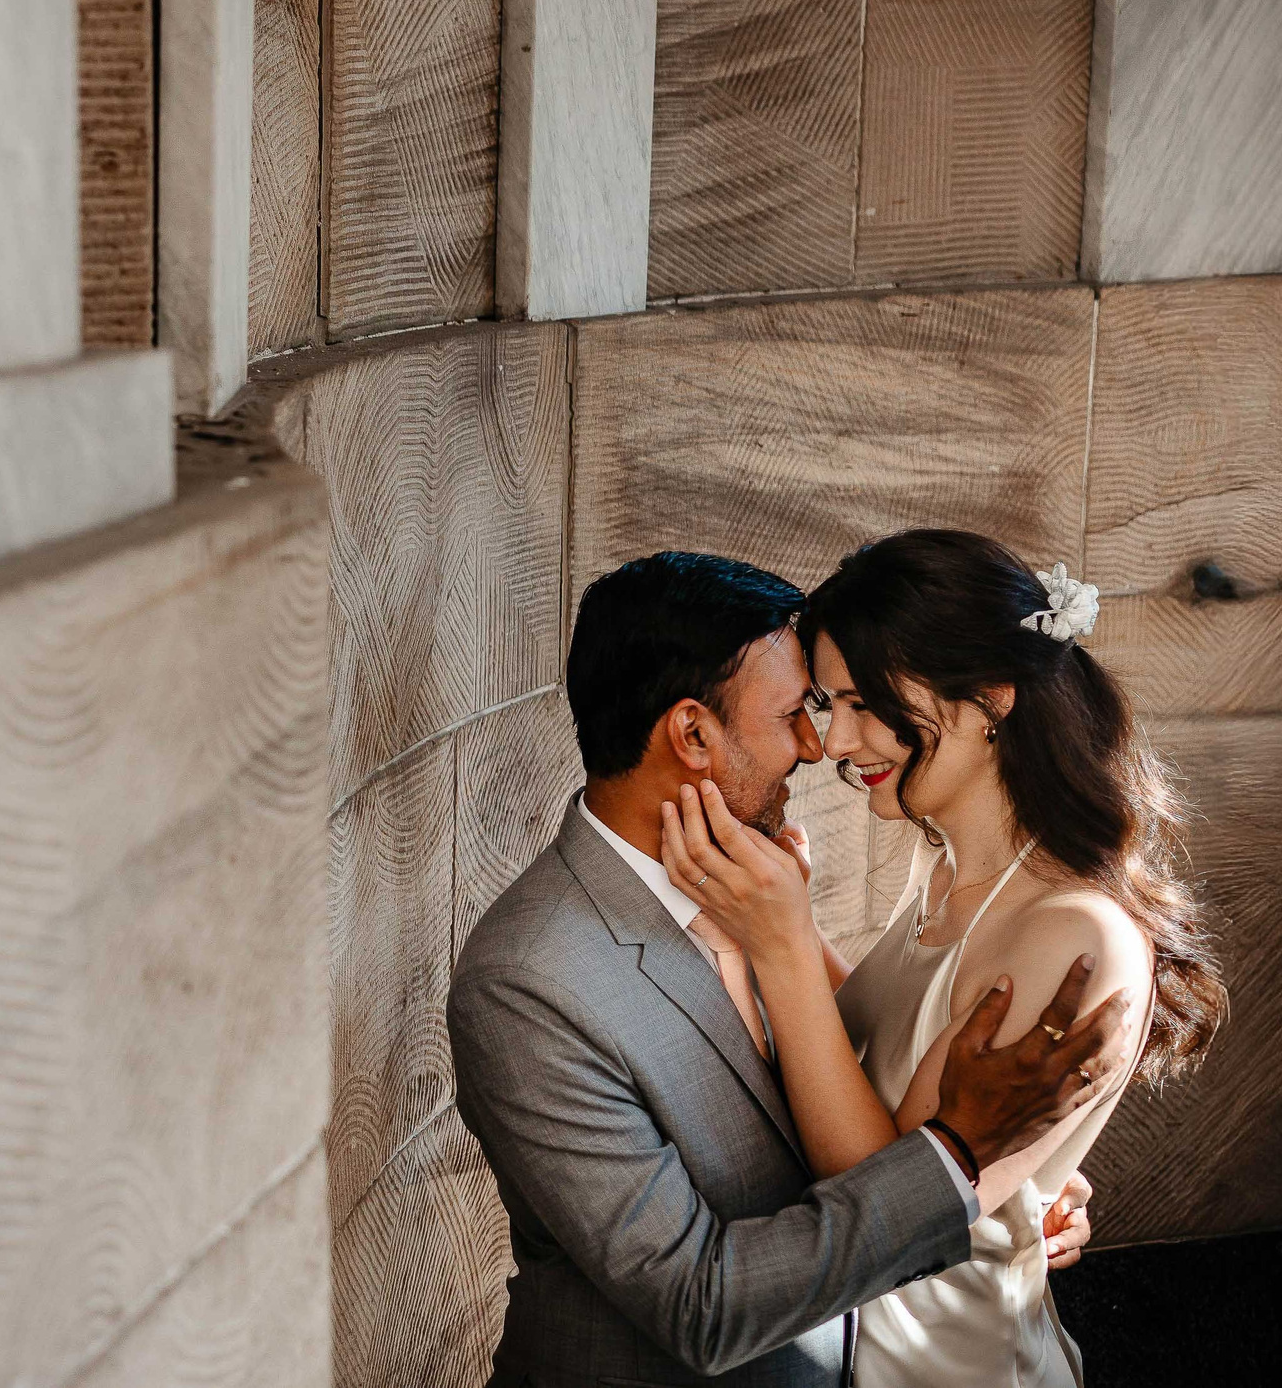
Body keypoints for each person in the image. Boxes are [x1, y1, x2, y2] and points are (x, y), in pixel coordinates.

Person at [447, 552, 1131, 1388]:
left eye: (842, 705)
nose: (819, 746)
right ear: (692, 733)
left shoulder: (764, 889)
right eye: (797, 712)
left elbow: (855, 1063)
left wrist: (1017, 1180)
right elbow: (702, 1305)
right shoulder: (529, 982)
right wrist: (958, 1164)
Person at [662, 531, 1225, 1387]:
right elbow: (891, 1051)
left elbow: (884, 1208)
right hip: (841, 1349)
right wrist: (794, 927)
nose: (837, 741)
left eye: (863, 703)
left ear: (990, 697)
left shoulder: (1076, 934)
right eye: (824, 704)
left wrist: (777, 946)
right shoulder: (946, 865)